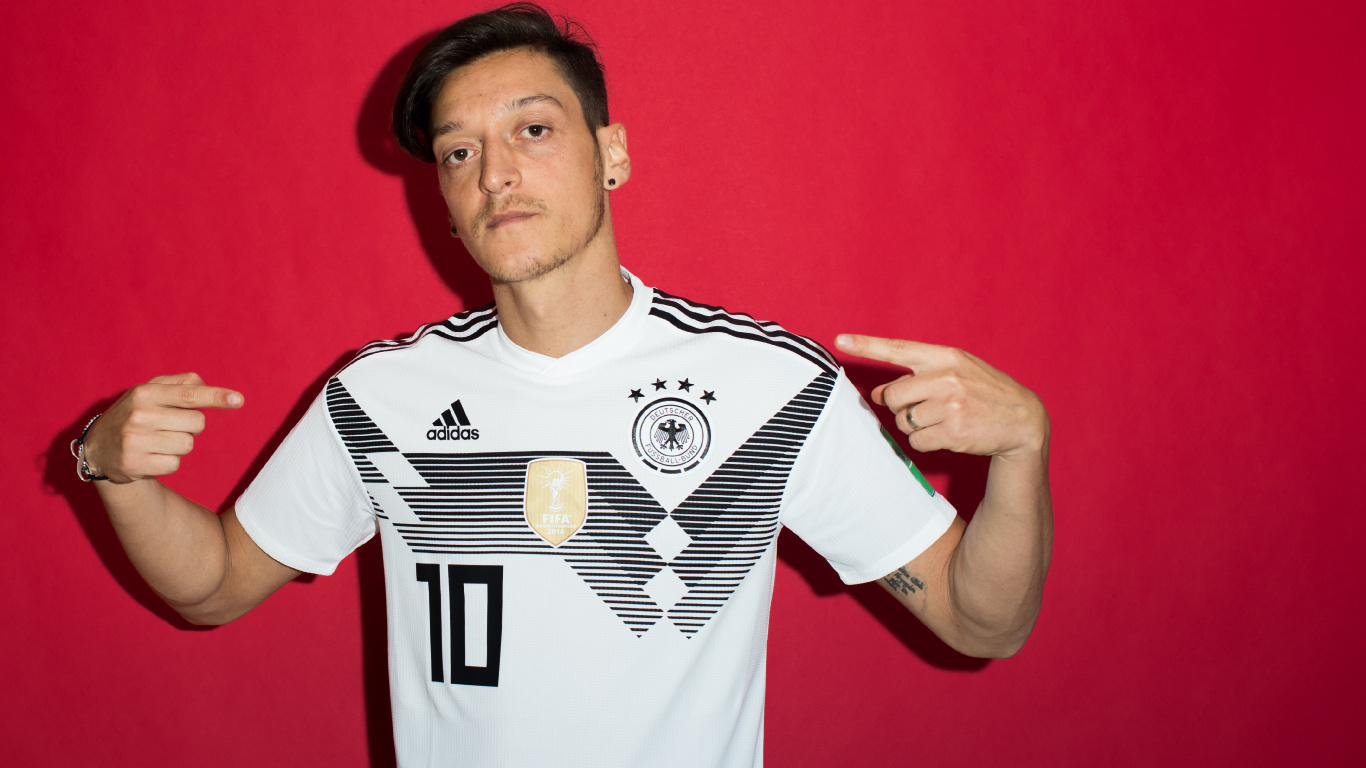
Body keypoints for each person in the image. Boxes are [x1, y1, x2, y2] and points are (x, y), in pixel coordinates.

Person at [73, 4, 1052, 766]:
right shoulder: (381, 399)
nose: (495, 173)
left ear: (611, 155)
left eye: (533, 129)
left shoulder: (769, 388)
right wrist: (110, 470)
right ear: (445, 198)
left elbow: (981, 621)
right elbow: (214, 588)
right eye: (459, 151)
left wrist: (1021, 451)